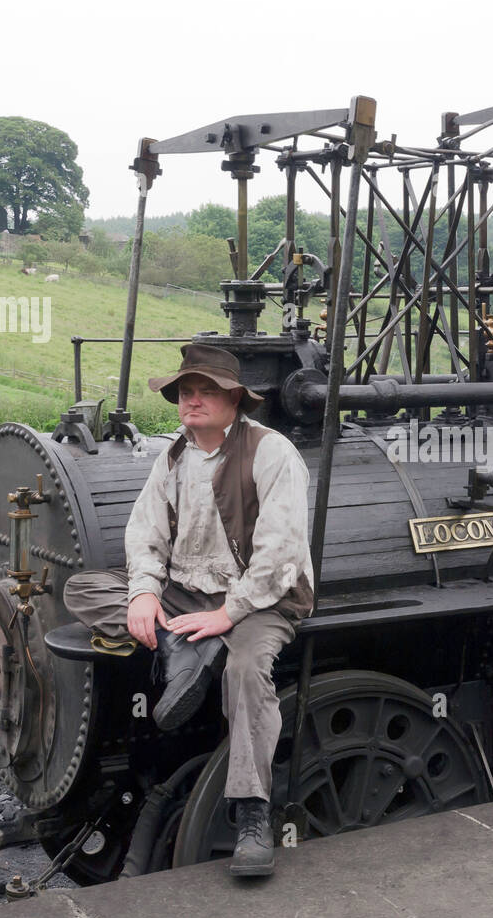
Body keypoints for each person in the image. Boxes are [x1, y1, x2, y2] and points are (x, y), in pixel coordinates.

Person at [63, 342, 314, 877]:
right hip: (186, 593)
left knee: (245, 670)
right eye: (185, 392)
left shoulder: (272, 453)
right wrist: (145, 593)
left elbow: (281, 553)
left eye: (206, 392)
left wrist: (229, 616)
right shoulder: (174, 455)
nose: (192, 401)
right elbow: (145, 533)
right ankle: (180, 645)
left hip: (260, 598)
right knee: (83, 590)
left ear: (235, 401)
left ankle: (252, 815)